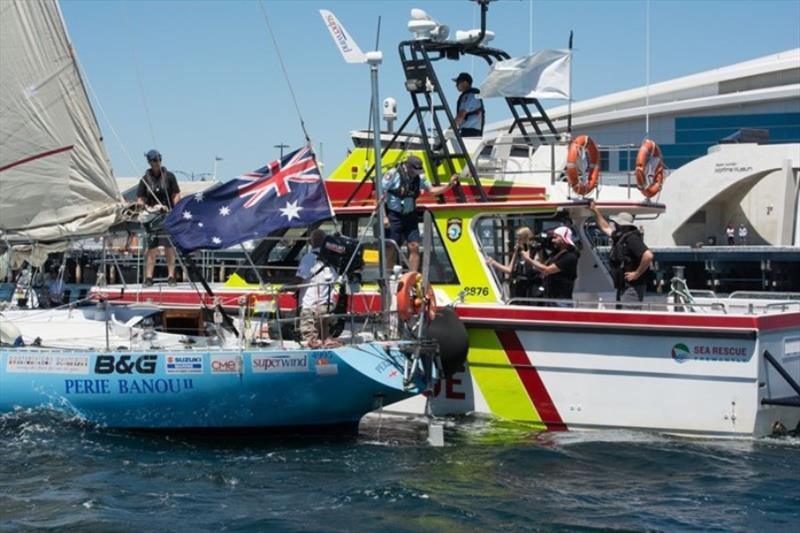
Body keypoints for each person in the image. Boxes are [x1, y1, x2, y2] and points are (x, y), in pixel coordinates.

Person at [383, 155, 458, 272]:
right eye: (414, 170)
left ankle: (412, 276)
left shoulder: (420, 178)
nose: (416, 173)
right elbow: (380, 194)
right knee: (390, 247)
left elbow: (432, 190)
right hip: (394, 215)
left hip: (410, 215)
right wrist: (384, 216)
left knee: (415, 246)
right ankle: (388, 277)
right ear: (407, 166)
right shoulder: (393, 175)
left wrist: (449, 185)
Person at [589, 202, 654, 305]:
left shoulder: (632, 238)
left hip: (632, 287)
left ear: (624, 226)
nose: (615, 225)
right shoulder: (620, 236)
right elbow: (605, 227)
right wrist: (595, 211)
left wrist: (637, 273)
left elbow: (648, 255)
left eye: (618, 224)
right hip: (623, 285)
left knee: (630, 316)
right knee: (621, 313)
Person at [136, 149, 181, 287]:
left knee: (169, 246)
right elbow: (140, 198)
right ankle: (149, 277)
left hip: (167, 216)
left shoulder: (170, 177)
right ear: (149, 162)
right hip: (152, 218)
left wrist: (176, 211)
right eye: (154, 160)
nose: (157, 162)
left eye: (158, 159)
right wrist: (142, 209)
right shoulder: (145, 179)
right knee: (152, 247)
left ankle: (171, 276)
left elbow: (176, 194)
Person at [292, 229, 339, 349]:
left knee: (311, 340)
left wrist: (287, 288)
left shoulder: (308, 258)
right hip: (326, 305)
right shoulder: (333, 259)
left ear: (311, 242)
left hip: (310, 305)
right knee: (324, 336)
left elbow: (299, 279)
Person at [520, 226, 578, 304]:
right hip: (550, 298)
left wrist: (529, 259)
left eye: (555, 238)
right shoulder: (556, 254)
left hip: (561, 300)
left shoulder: (570, 257)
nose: (553, 240)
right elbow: (543, 265)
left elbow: (546, 270)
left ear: (563, 239)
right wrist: (539, 250)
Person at [485, 227, 540, 302]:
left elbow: (539, 268)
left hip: (531, 287)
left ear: (526, 239)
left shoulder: (536, 250)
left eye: (520, 239)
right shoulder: (518, 251)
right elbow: (509, 269)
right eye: (516, 239)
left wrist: (527, 259)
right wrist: (493, 262)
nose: (517, 242)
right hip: (518, 286)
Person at [452, 72, 484, 138]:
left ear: (465, 83)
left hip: (469, 132)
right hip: (473, 131)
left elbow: (461, 116)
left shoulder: (469, 96)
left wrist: (450, 130)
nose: (456, 85)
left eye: (458, 83)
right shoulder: (473, 95)